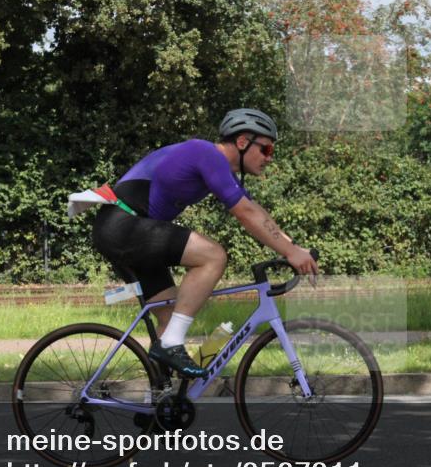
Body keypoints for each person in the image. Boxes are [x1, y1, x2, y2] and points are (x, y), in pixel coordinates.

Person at [91, 109, 319, 377]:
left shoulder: (218, 167)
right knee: (213, 256)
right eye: (267, 149)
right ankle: (171, 344)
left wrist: (294, 249)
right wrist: (290, 252)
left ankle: (159, 406)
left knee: (170, 316)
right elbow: (245, 213)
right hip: (122, 226)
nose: (270, 157)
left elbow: (255, 211)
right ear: (243, 142)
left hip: (130, 231)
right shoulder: (205, 153)